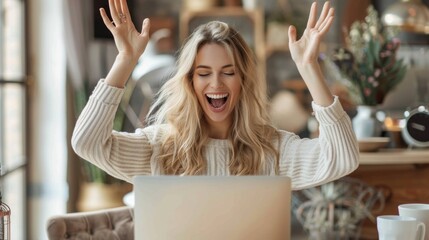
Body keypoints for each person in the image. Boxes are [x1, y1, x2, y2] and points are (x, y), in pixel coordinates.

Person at [72, 0, 359, 190]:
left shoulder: (271, 150)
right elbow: (87, 143)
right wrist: (125, 60)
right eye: (204, 73)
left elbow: (343, 157)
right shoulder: (158, 147)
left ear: (243, 80)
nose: (216, 84)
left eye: (228, 72)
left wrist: (309, 68)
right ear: (190, 81)